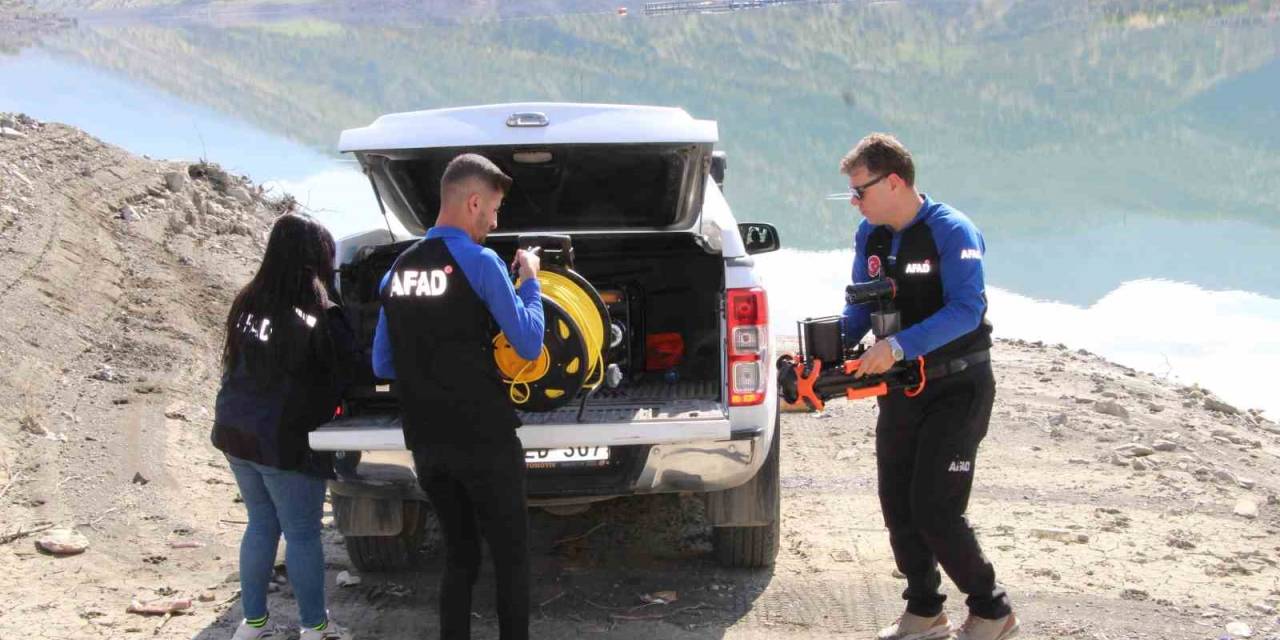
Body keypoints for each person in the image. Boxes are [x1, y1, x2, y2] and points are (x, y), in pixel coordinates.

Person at [839, 134, 1019, 640]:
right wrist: (828, 351)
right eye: (851, 194)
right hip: (901, 391)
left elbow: (967, 310)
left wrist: (896, 348)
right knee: (897, 503)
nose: (856, 202)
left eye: (861, 191)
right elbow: (860, 306)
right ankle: (924, 612)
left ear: (894, 182)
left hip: (958, 387)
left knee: (935, 508)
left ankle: (992, 610)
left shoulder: (952, 231)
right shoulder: (869, 235)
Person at [371, 153, 544, 640]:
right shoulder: (482, 261)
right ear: (472, 202)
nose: (494, 221)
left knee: (460, 557)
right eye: (492, 210)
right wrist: (529, 279)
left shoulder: (397, 272)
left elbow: (382, 363)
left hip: (427, 442)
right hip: (485, 439)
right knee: (510, 558)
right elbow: (529, 344)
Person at [212, 212, 356, 640]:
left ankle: (252, 623)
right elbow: (353, 372)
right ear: (318, 259)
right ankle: (315, 628)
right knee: (303, 535)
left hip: (235, 432)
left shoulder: (247, 301)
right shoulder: (320, 314)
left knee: (260, 523)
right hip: (283, 442)